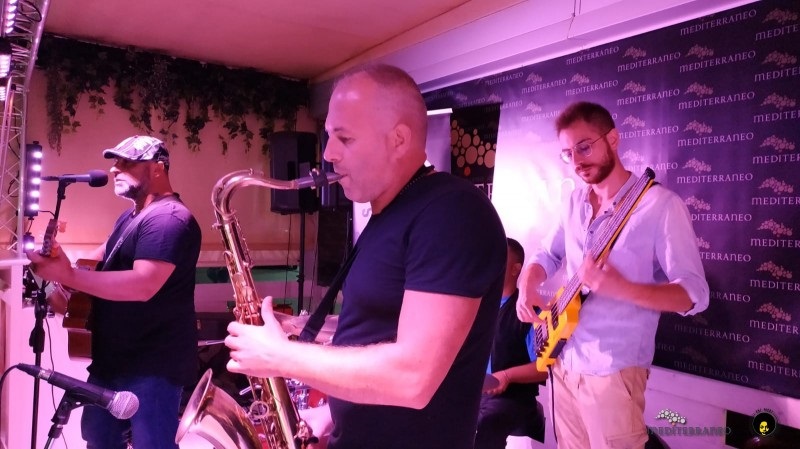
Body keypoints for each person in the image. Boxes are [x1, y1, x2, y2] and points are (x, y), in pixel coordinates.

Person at [224, 64, 507, 449]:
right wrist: (302, 334)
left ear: (399, 139)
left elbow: (413, 377)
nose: (328, 154)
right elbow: (380, 325)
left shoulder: (451, 212)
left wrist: (280, 355)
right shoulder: (389, 211)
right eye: (329, 136)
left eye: (345, 138)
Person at [516, 101, 709, 449]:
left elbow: (694, 294)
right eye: (568, 153)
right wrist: (527, 283)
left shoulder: (660, 206)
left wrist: (620, 288)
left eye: (584, 147)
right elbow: (547, 253)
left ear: (613, 139)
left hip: (613, 371)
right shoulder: (573, 202)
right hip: (563, 361)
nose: (576, 161)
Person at [27, 135, 202, 449]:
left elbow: (143, 284)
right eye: (115, 161)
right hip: (113, 362)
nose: (114, 169)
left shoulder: (168, 220)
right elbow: (99, 260)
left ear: (158, 168)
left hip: (153, 367)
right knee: (98, 439)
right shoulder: (132, 216)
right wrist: (61, 267)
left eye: (127, 162)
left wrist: (68, 275)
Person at [475, 237, 547, 449]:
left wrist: (506, 376)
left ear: (516, 269)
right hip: (475, 392)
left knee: (487, 424)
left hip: (512, 399)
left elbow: (543, 368)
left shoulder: (530, 313)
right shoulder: (477, 306)